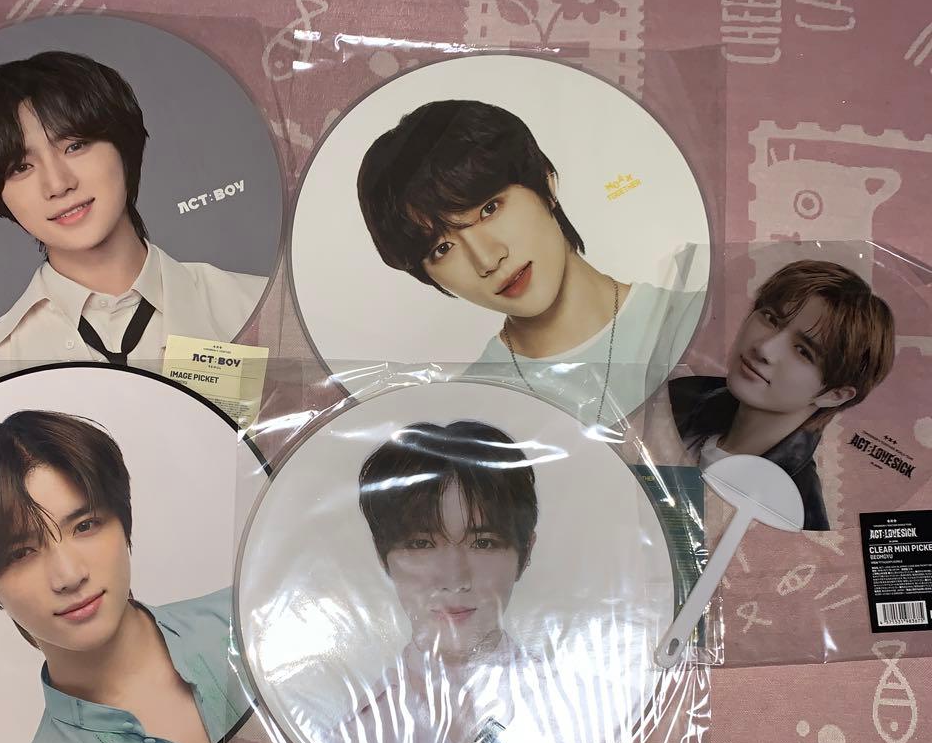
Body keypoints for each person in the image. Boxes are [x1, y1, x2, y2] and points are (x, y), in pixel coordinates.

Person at [0, 409, 248, 743]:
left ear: (123, 520)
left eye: (85, 526)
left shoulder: (256, 620)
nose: (69, 575)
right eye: (21, 552)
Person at [356, 99, 703, 423]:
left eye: (489, 209)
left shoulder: (696, 321)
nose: (487, 259)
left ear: (545, 184)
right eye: (442, 249)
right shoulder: (473, 407)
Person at [0, 51, 266, 387]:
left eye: (75, 146)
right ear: (0, 197)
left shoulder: (257, 310)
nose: (58, 184)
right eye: (21, 167)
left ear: (123, 147)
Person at [322, 420, 585, 743]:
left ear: (525, 551)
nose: (454, 578)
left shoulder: (572, 702)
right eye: (421, 544)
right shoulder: (357, 735)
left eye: (483, 543)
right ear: (383, 556)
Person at [668, 260, 895, 531]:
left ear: (835, 395)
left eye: (803, 351)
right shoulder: (675, 397)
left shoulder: (797, 517)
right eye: (771, 319)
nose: (765, 348)